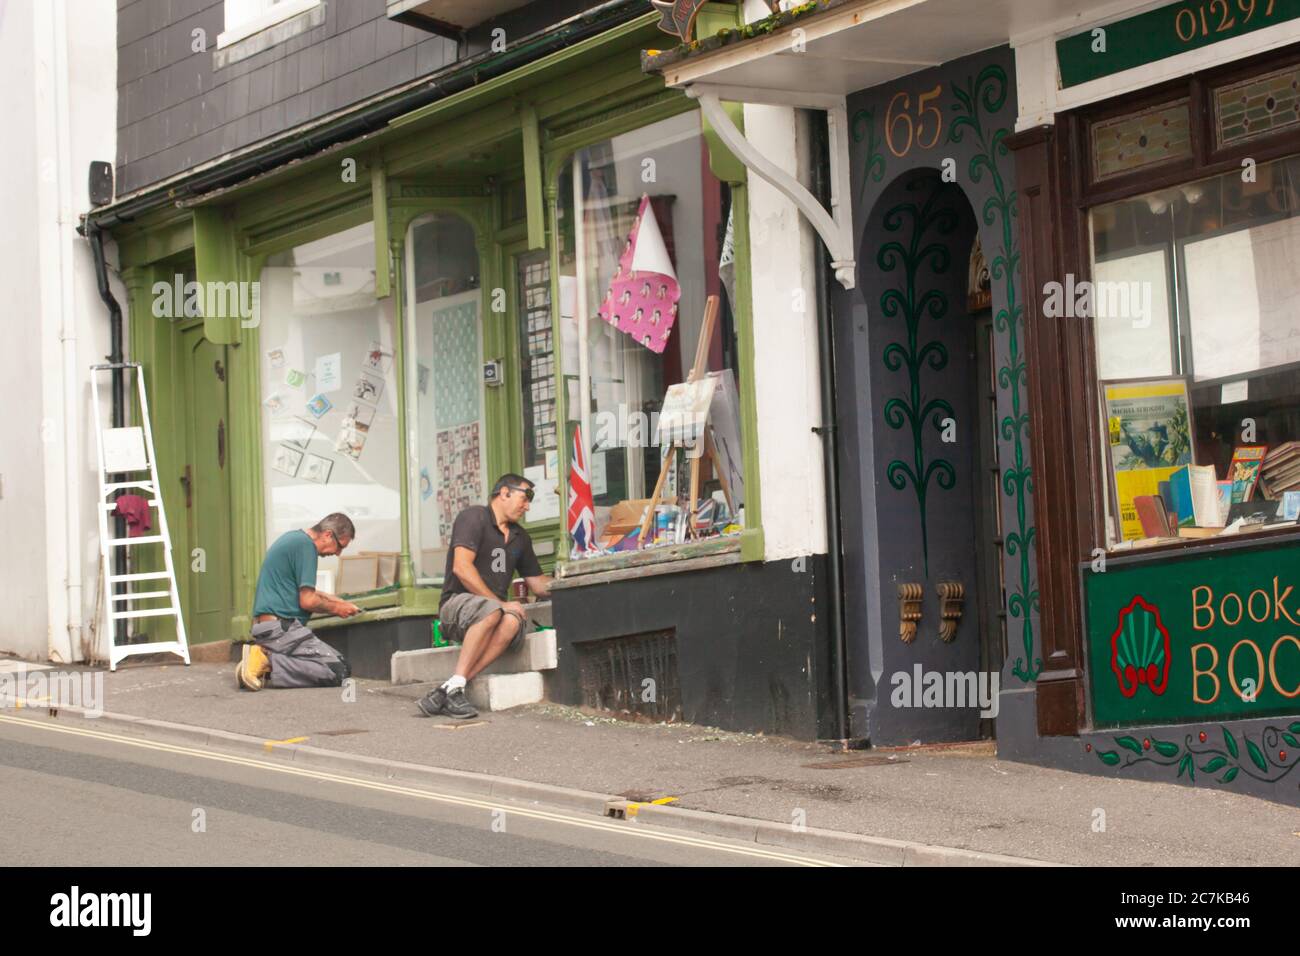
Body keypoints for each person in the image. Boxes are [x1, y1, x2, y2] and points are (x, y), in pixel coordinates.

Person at [417, 475, 551, 719]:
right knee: (495, 610)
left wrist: (568, 580)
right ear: (503, 493)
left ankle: (453, 687)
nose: (528, 506)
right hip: (456, 607)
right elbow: (461, 567)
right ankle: (455, 687)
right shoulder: (474, 517)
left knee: (512, 620)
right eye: (525, 498)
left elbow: (538, 584)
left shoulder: (521, 537)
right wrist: (500, 603)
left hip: (493, 614)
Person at [236, 513, 362, 691]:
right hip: (280, 629)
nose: (337, 553)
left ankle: (260, 662)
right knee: (338, 670)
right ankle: (265, 659)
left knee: (340, 665)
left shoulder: (295, 539)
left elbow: (306, 591)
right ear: (327, 534)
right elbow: (308, 600)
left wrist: (336, 600)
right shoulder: (306, 547)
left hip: (270, 627)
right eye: (340, 546)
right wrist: (337, 608)